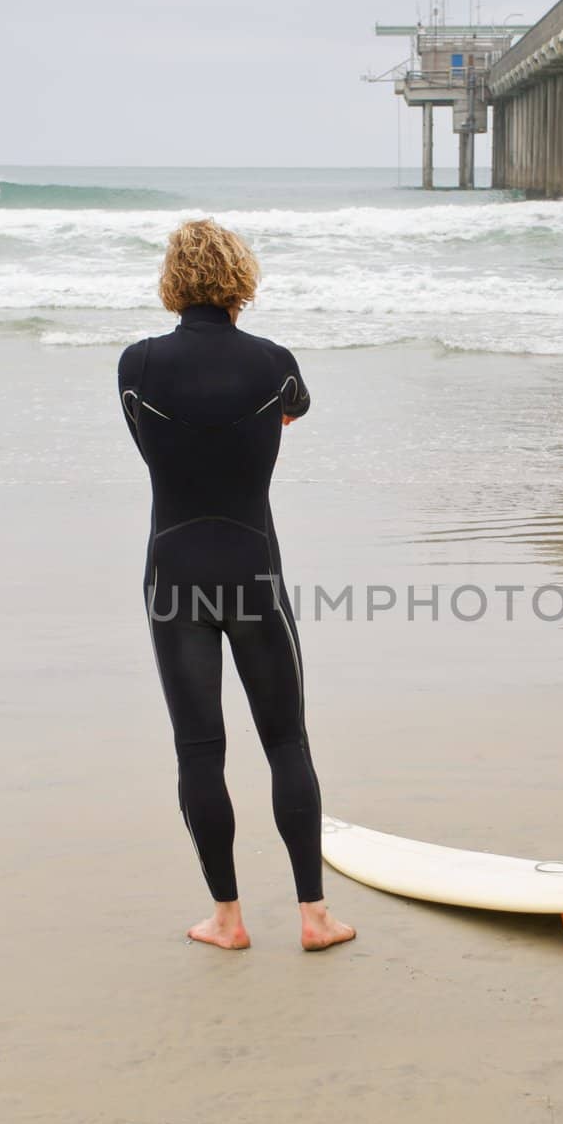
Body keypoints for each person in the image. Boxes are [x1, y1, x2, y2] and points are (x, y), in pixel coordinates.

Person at [118, 218, 356, 953]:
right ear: (240, 276)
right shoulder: (273, 363)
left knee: (199, 751)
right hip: (254, 572)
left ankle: (226, 919)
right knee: (286, 741)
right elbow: (295, 407)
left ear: (171, 280)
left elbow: (152, 434)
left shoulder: (137, 364)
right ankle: (315, 917)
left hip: (173, 575)